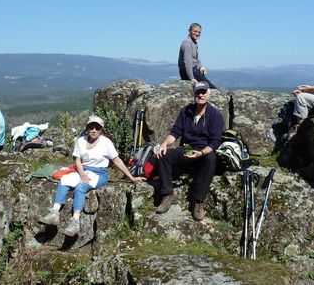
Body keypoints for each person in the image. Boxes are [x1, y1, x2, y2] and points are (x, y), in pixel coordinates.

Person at [38, 115, 146, 236]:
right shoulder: (81, 141)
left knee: (81, 187)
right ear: (87, 128)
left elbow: (117, 160)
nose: (94, 130)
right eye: (91, 127)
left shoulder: (106, 142)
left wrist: (131, 177)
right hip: (83, 170)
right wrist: (82, 173)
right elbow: (77, 160)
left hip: (100, 173)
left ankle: (75, 221)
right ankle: (55, 212)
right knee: (64, 180)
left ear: (101, 130)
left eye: (97, 128)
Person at [153, 81, 224, 221]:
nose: (201, 95)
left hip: (204, 151)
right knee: (163, 154)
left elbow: (216, 141)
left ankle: (198, 201)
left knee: (211, 159)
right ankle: (168, 194)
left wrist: (202, 152)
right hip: (188, 148)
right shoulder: (186, 111)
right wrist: (164, 144)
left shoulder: (215, 115)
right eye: (198, 92)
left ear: (209, 95)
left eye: (204, 92)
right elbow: (175, 132)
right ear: (194, 95)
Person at [178, 23, 217, 89]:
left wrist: (201, 67)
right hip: (190, 71)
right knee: (212, 88)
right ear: (189, 31)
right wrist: (191, 78)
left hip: (194, 70)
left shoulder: (194, 43)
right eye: (195, 31)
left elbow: (197, 59)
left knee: (207, 87)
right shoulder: (187, 43)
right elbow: (187, 62)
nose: (197, 34)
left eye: (199, 32)